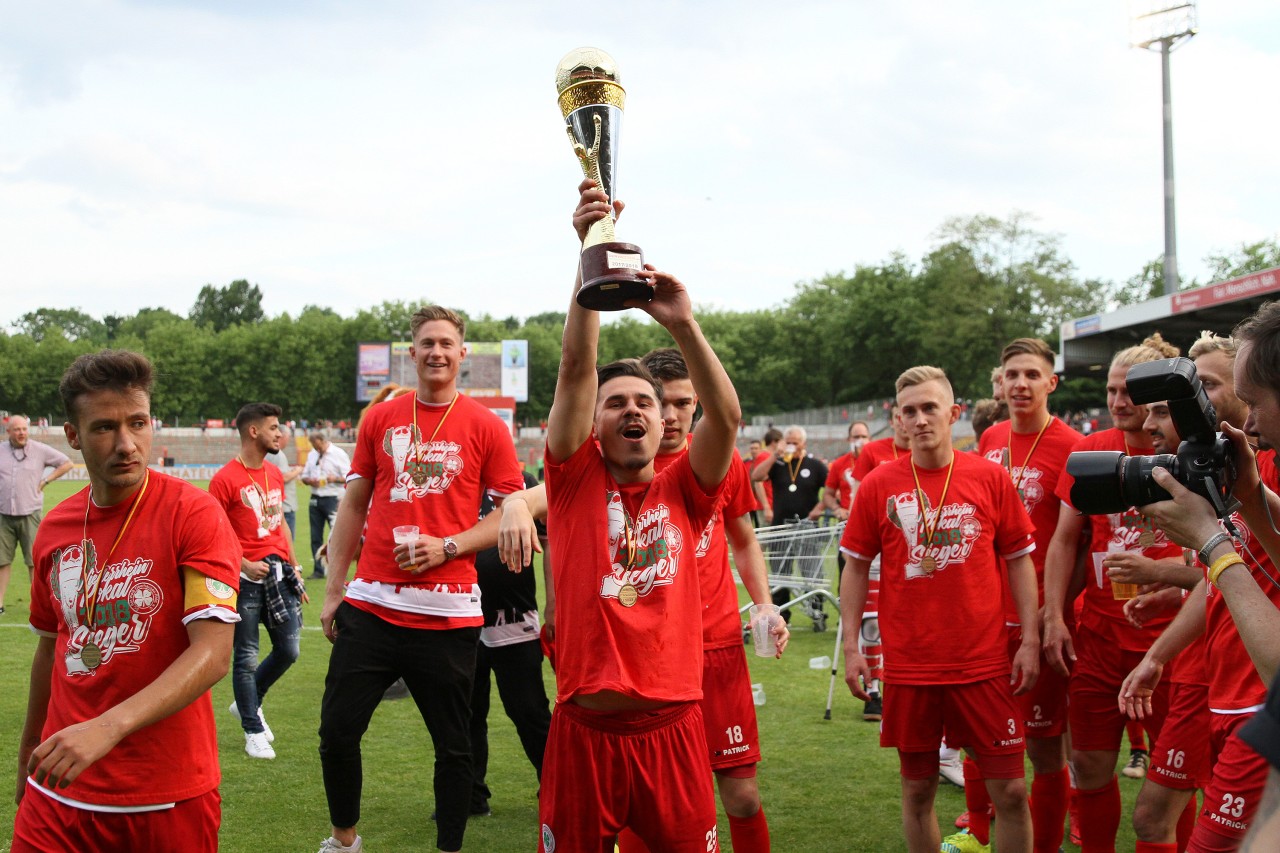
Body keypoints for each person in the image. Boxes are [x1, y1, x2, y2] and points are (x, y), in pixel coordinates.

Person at [533, 179, 742, 852]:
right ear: (593, 424)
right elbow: (574, 366)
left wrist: (682, 321)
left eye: (645, 403)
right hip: (583, 732)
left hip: (674, 729)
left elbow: (728, 417)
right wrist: (588, 256)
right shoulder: (571, 480)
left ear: (665, 421)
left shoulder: (688, 487)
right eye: (615, 401)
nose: (632, 410)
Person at [316, 304, 524, 853]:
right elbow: (354, 506)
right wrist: (336, 590)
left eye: (446, 343)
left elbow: (509, 511)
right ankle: (344, 840)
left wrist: (448, 546)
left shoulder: (485, 426)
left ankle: (449, 848)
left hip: (448, 613)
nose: (436, 352)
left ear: (463, 354)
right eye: (426, 343)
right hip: (373, 604)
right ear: (412, 354)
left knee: (454, 747)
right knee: (336, 731)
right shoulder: (380, 419)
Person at [13, 350, 240, 852]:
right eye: (103, 428)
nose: (126, 444)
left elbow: (212, 654)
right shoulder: (55, 528)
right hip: (58, 791)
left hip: (164, 795)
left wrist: (105, 729)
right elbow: (51, 649)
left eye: (138, 423)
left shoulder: (193, 514)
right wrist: (30, 749)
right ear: (72, 437)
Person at [840, 364, 1039, 853]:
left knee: (1011, 791)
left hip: (983, 662)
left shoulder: (990, 478)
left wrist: (1030, 639)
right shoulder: (878, 485)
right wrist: (852, 646)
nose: (921, 419)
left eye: (930, 408)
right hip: (911, 667)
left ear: (953, 413)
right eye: (909, 411)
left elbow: (1019, 562)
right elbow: (856, 567)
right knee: (917, 789)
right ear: (898, 420)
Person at [615, 346, 786, 853]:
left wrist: (764, 603)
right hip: (647, 655)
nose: (669, 415)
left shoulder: (721, 459)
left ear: (698, 407)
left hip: (716, 648)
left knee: (743, 798)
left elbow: (744, 539)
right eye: (660, 401)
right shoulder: (617, 460)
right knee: (645, 801)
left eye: (684, 404)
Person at [1129, 319, 1280, 850]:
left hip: (1257, 693)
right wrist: (1250, 493)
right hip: (1229, 687)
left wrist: (1209, 541)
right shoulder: (1255, 464)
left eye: (1248, 398)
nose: (1250, 419)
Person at [1042, 333, 1186, 853]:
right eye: (1111, 391)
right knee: (1086, 764)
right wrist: (1054, 616)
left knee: (1175, 778)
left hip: (1174, 643)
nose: (1119, 402)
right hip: (1100, 637)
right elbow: (1064, 541)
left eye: (1130, 392)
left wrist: (1170, 583)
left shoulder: (1187, 451)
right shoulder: (1090, 450)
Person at [960, 338, 1082, 853]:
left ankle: (1047, 843)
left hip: (1041, 618)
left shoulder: (1074, 446)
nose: (1020, 384)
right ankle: (980, 832)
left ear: (1051, 383)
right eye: (1012, 374)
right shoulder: (990, 437)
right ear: (1000, 382)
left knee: (1043, 745)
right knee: (978, 730)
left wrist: (1051, 613)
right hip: (985, 616)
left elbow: (1079, 542)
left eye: (1032, 374)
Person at [209, 402, 307, 760]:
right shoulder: (223, 480)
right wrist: (244, 563)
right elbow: (213, 535)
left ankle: (248, 703)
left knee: (289, 650)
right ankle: (252, 729)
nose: (280, 433)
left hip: (279, 572)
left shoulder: (274, 473)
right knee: (246, 656)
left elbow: (278, 521)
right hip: (245, 578)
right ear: (254, 432)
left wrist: (295, 566)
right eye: (273, 427)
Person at [466, 469, 552, 818]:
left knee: (529, 711)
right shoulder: (449, 480)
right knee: (465, 712)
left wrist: (554, 604)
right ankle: (469, 796)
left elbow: (550, 541)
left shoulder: (521, 480)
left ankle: (557, 786)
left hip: (515, 618)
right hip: (461, 619)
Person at [751, 425, 829, 624]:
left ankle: (817, 612)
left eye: (796, 442)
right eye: (789, 442)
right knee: (779, 574)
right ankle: (781, 616)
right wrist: (774, 455)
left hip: (806, 527)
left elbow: (831, 489)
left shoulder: (815, 465)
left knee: (812, 573)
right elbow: (756, 476)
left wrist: (819, 507)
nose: (792, 446)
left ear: (803, 443)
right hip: (781, 527)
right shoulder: (778, 465)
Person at [1, 414, 73, 614]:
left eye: (24, 429)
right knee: (2, 561)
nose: (21, 432)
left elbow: (66, 463)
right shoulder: (1, 451)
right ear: (9, 431)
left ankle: (38, 605)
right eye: (17, 429)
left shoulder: (39, 450)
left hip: (29, 514)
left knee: (33, 562)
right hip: (3, 515)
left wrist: (46, 481)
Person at [302, 429, 351, 579]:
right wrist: (310, 480)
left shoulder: (338, 454)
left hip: (333, 497)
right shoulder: (312, 454)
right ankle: (318, 569)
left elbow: (348, 476)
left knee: (336, 536)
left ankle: (338, 568)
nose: (317, 450)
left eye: (319, 446)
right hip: (316, 496)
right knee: (315, 536)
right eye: (314, 447)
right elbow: (304, 476)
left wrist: (333, 479)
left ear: (324, 441)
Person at [266, 423, 304, 538]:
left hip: (276, 504)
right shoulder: (278, 454)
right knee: (287, 542)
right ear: (282, 436)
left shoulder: (269, 453)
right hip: (286, 505)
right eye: (288, 437)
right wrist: (298, 471)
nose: (288, 440)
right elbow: (283, 478)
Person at [751, 428, 782, 525]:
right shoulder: (764, 456)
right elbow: (758, 483)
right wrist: (766, 506)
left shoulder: (770, 456)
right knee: (768, 536)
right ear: (774, 442)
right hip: (767, 504)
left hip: (773, 503)